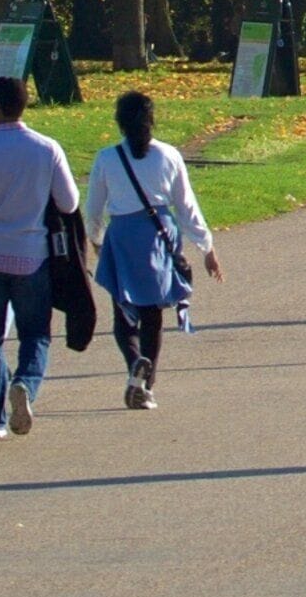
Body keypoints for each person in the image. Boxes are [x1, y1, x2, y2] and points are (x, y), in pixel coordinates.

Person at [0, 73, 78, 438]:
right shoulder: (47, 148)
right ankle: (25, 382)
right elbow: (70, 201)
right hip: (32, 255)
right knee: (35, 334)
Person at [87, 90, 220, 411]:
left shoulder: (107, 158)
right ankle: (147, 384)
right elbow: (186, 207)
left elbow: (92, 209)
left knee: (123, 312)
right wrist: (207, 247)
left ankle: (134, 361)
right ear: (151, 120)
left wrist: (96, 240)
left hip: (121, 237)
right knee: (152, 316)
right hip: (158, 238)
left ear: (119, 122)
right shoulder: (169, 156)